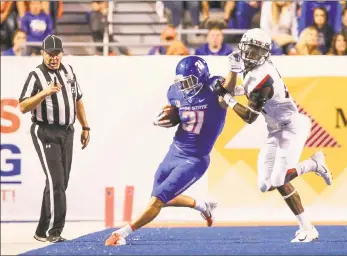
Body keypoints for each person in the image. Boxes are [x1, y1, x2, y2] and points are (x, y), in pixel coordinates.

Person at [212, 28, 333, 243]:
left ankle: (308, 228)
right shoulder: (254, 71)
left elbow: (249, 117)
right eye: (249, 49)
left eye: (256, 51)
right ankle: (314, 164)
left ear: (266, 54)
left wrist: (227, 96)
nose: (251, 55)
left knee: (279, 179)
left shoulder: (263, 76)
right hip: (275, 130)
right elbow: (251, 91)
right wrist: (231, 90)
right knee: (265, 185)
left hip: (291, 127)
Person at [105, 56, 228, 246]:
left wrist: (235, 70)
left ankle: (122, 233)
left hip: (195, 159)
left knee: (158, 200)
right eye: (182, 82)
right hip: (175, 150)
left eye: (189, 81)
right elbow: (176, 112)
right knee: (162, 197)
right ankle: (203, 206)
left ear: (202, 76)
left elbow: (231, 85)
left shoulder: (214, 89)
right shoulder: (174, 92)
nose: (185, 87)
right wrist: (165, 118)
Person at [18, 35, 90, 243]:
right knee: (56, 181)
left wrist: (85, 126)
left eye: (57, 53)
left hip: (67, 131)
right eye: (49, 54)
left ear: (62, 53)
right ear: (42, 53)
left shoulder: (68, 72)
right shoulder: (36, 75)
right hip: (45, 131)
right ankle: (54, 231)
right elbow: (23, 106)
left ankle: (42, 230)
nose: (53, 58)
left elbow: (78, 100)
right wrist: (44, 93)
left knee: (60, 181)